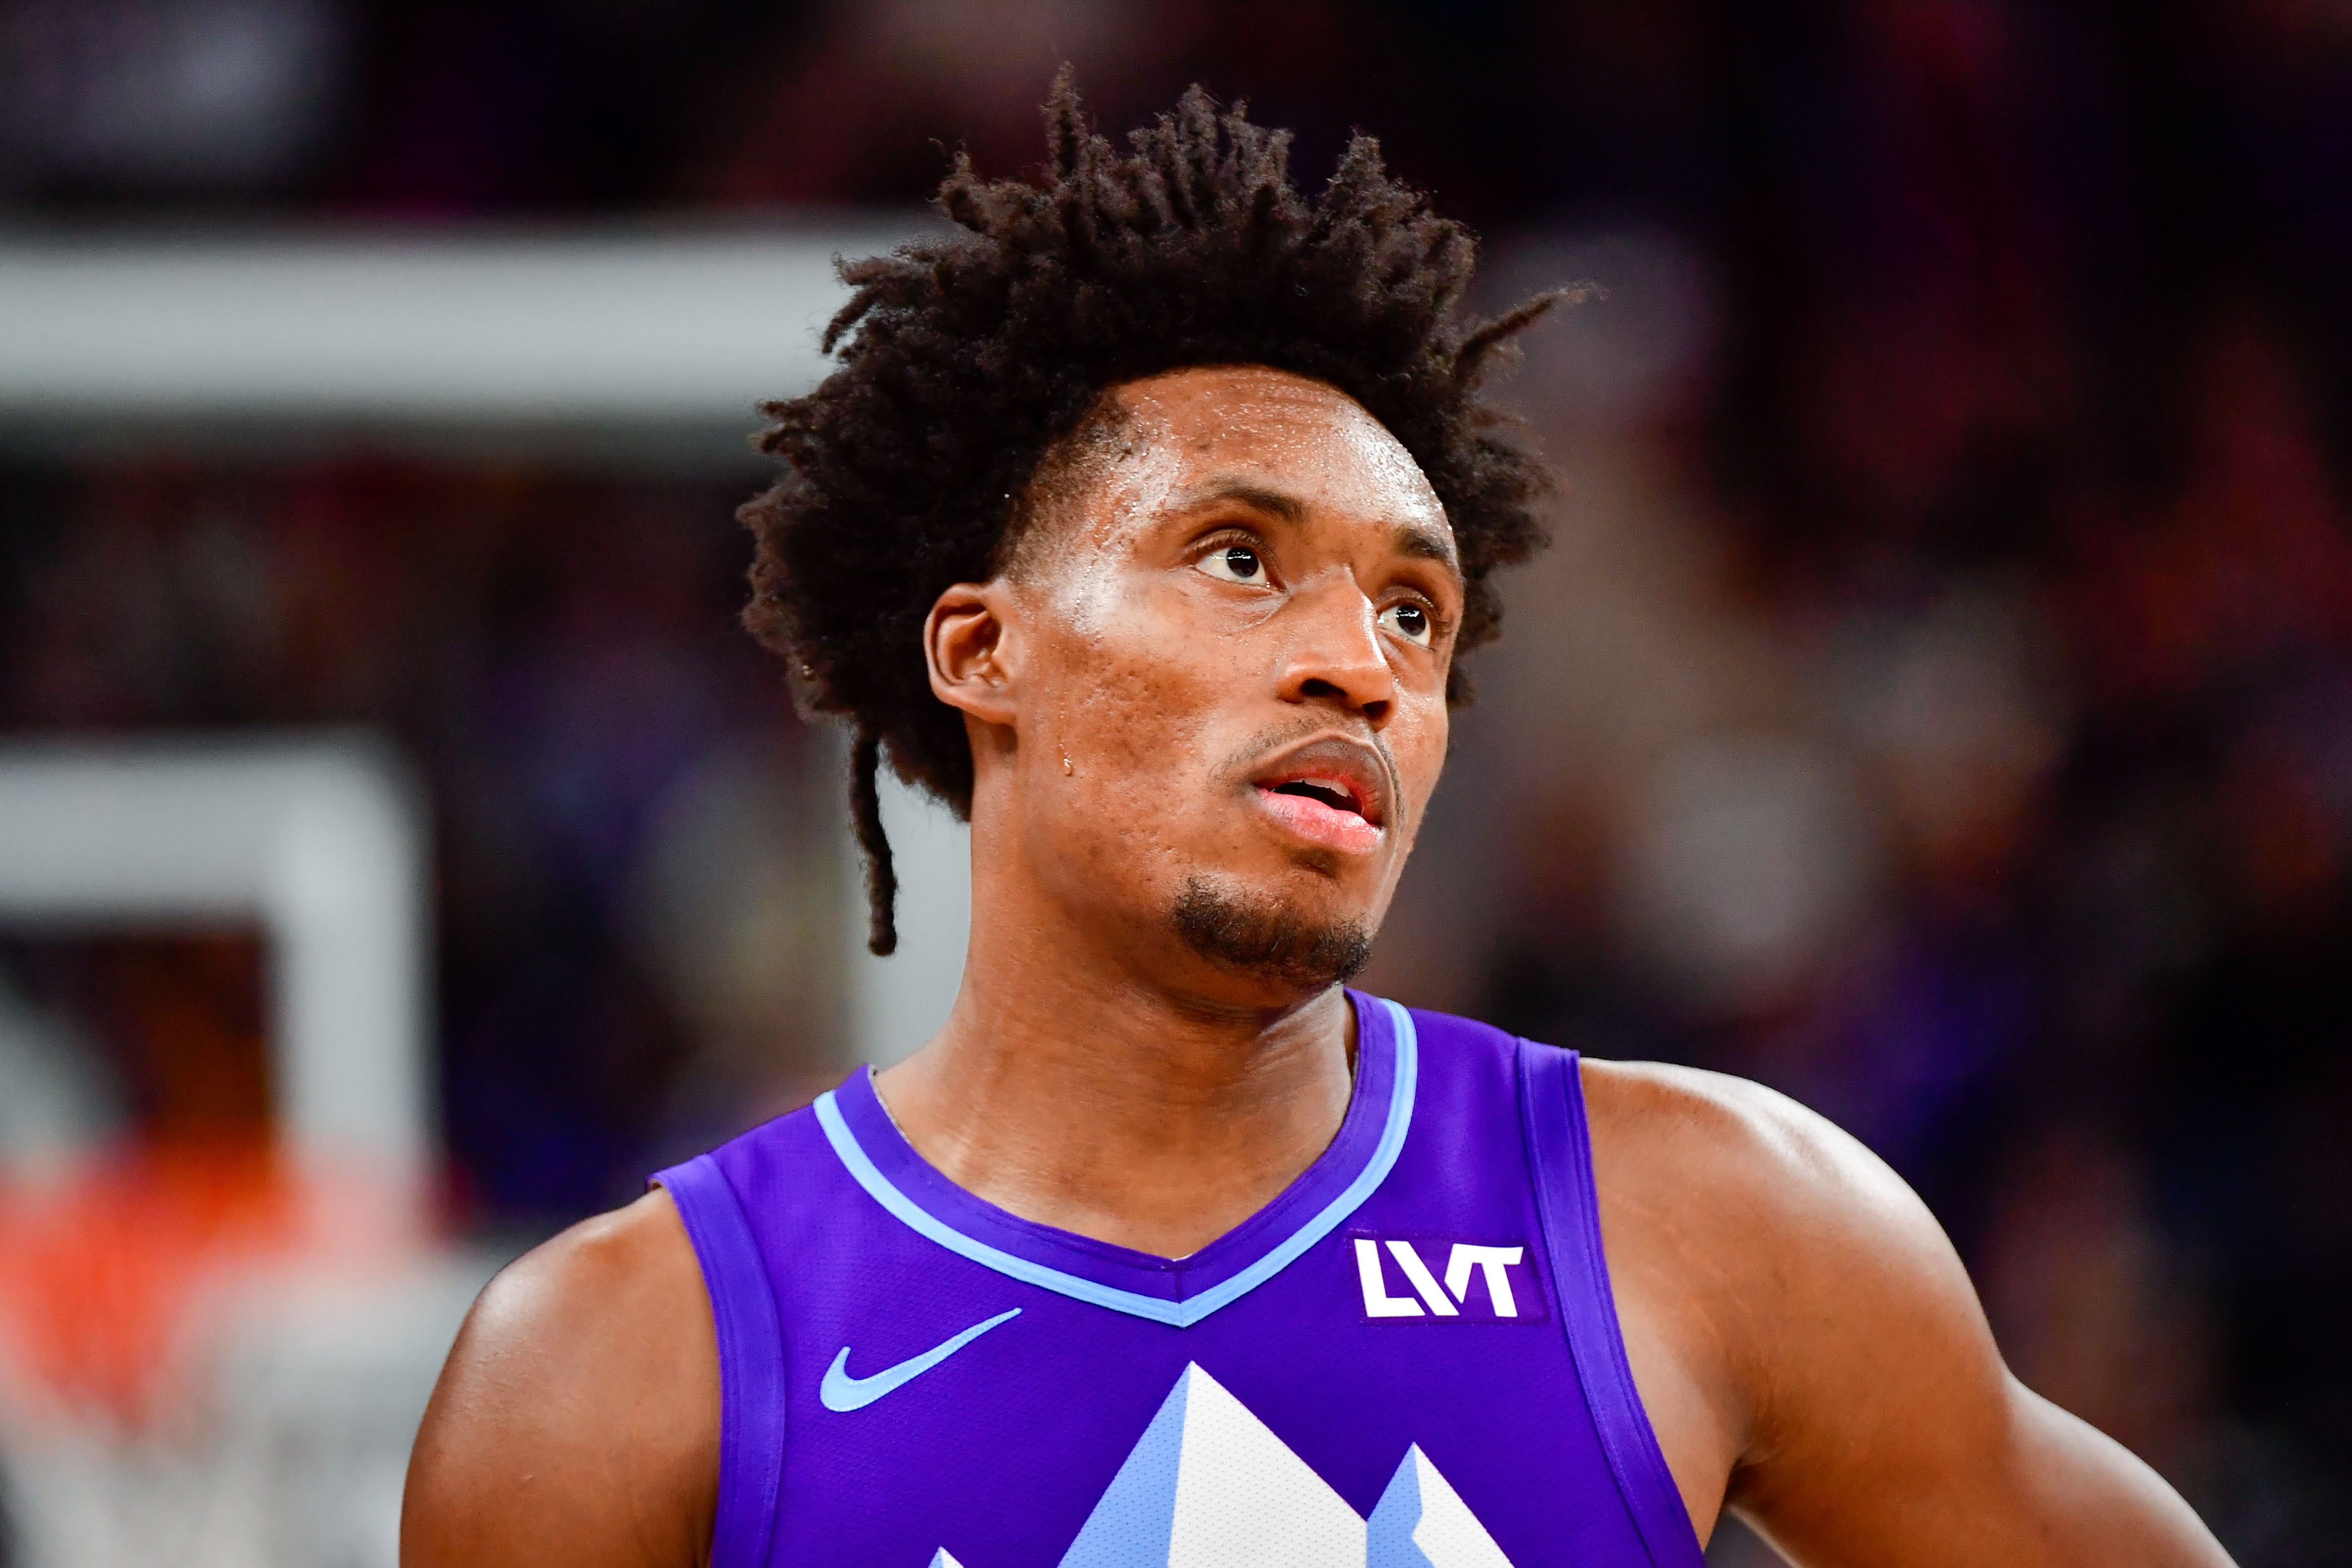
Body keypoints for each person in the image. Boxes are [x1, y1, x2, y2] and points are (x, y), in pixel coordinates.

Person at [401, 78, 2233, 1568]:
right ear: (983, 651)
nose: (1360, 664)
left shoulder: (1719, 1220)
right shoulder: (615, 1367)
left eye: (1414, 612)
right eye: (1237, 559)